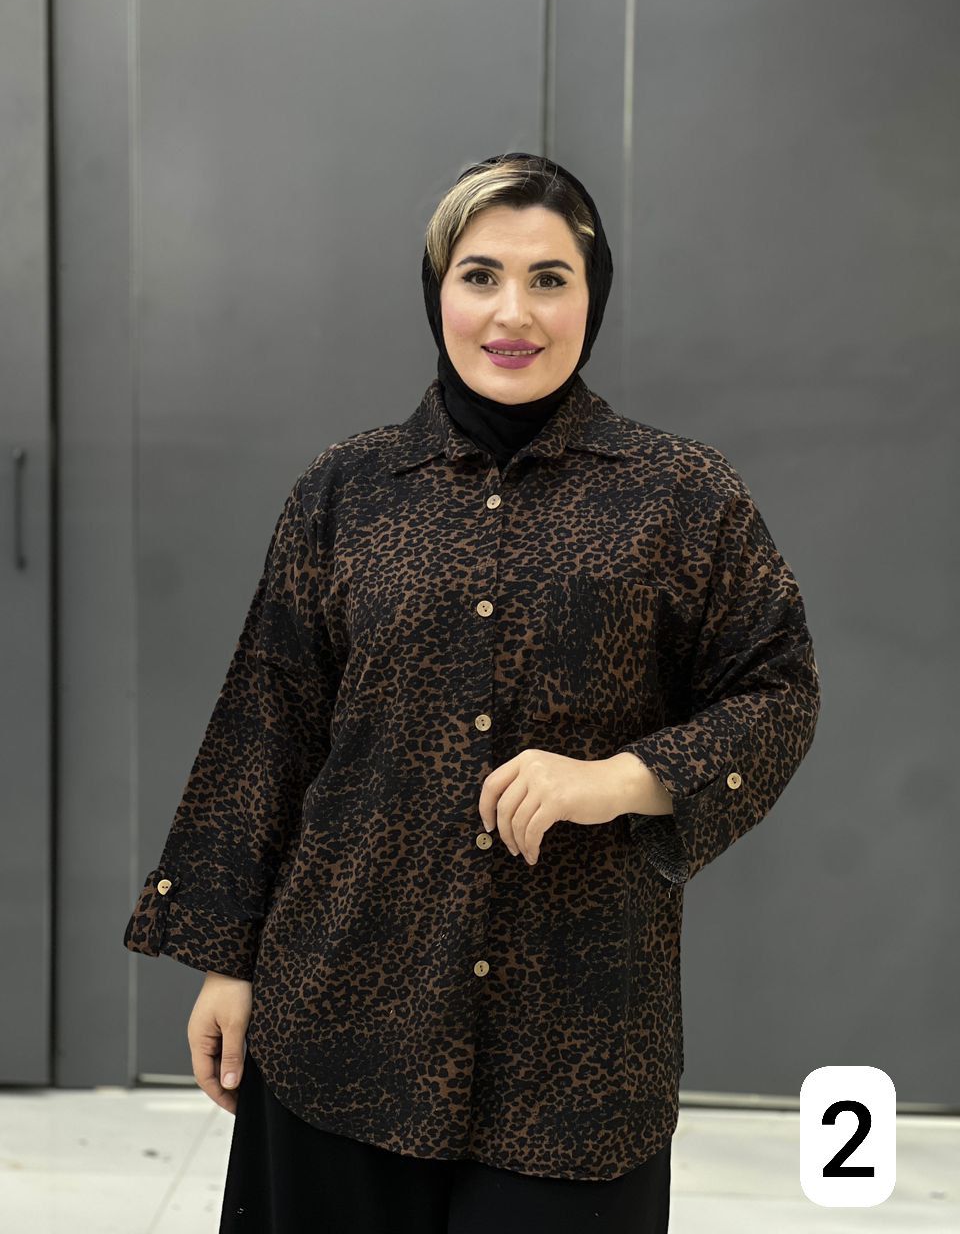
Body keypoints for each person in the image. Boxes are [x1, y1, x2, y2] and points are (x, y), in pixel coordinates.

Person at [124, 151, 821, 1233]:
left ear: (593, 295)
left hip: (579, 1047)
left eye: (550, 279)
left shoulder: (683, 496)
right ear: (436, 289)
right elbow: (267, 726)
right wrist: (228, 961)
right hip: (338, 1020)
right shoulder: (346, 489)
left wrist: (619, 778)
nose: (513, 313)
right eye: (481, 275)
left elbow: (777, 691)